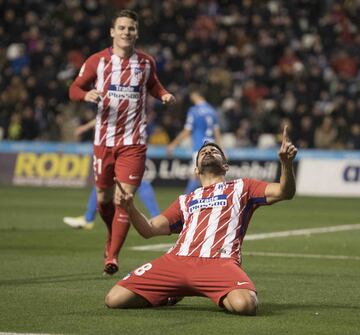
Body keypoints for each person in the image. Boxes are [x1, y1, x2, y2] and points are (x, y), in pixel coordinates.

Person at [105, 125, 297, 315]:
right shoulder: (186, 200)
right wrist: (130, 208)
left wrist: (286, 164)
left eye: (214, 150)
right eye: (203, 151)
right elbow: (148, 230)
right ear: (196, 169)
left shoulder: (243, 187)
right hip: (176, 261)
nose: (208, 151)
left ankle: (207, 291)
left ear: (226, 166)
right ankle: (170, 294)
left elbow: (284, 192)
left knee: (246, 305)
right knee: (114, 299)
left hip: (219, 263)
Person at [68, 9, 175, 275]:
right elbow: (74, 89)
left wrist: (164, 95)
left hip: (133, 142)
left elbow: (154, 85)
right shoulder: (97, 61)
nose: (127, 32)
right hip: (104, 141)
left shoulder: (146, 62)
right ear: (112, 32)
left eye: (131, 28)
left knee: (124, 199)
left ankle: (112, 256)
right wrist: (86, 95)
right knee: (104, 199)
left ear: (136, 33)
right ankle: (110, 234)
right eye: (122, 28)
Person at [63, 120, 160, 229]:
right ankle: (88, 218)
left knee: (133, 183)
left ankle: (88, 219)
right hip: (130, 144)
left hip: (122, 146)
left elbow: (107, 117)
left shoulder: (122, 108)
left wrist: (85, 127)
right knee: (106, 183)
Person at [167, 89, 221, 194]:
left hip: (200, 147)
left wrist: (173, 144)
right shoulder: (212, 110)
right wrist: (221, 149)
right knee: (210, 175)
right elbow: (217, 131)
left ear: (196, 95)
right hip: (212, 147)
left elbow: (187, 130)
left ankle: (184, 202)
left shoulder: (194, 110)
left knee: (196, 174)